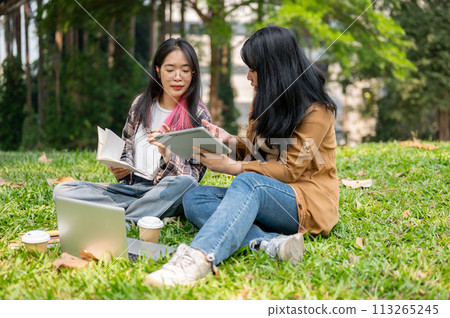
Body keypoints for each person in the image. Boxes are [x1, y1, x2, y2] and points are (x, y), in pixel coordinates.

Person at [146, 26, 339, 287]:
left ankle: (198, 258)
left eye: (253, 68)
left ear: (273, 69)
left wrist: (233, 167)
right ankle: (268, 243)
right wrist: (228, 140)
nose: (248, 76)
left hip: (305, 204)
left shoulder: (317, 111)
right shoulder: (265, 100)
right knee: (194, 198)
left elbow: (290, 170)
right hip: (266, 196)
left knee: (248, 182)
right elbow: (261, 150)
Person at [53, 38, 211, 223]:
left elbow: (194, 175)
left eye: (185, 70)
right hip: (131, 189)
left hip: (165, 193)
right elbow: (127, 146)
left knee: (187, 185)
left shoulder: (199, 115)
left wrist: (168, 153)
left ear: (193, 73)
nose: (178, 77)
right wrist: (121, 168)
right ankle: (141, 214)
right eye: (170, 70)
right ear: (158, 71)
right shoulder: (140, 104)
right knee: (63, 190)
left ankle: (122, 219)